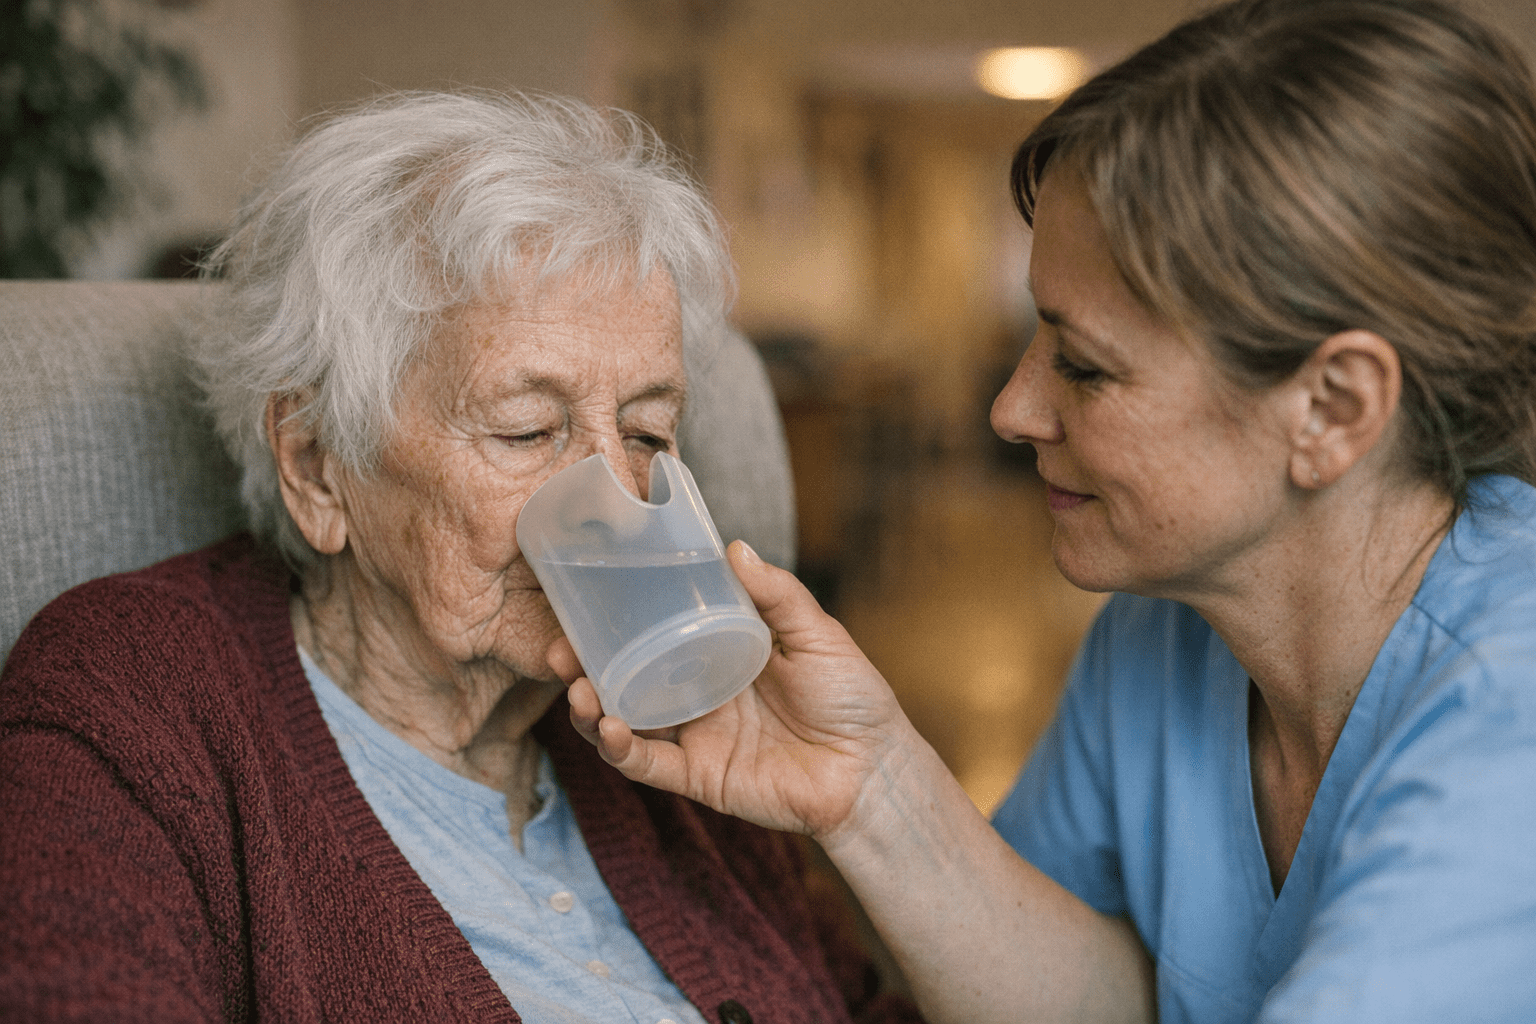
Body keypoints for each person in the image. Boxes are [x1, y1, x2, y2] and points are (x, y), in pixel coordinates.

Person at [557, 1, 1536, 1021]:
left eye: (1085, 365)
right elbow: (1104, 1003)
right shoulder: (1163, 639)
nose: (1010, 409)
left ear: (1333, 408)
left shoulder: (1513, 721)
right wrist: (876, 789)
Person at [0, 92, 921, 1024]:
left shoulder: (688, 744)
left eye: (648, 430)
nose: (616, 502)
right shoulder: (134, 691)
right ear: (318, 468)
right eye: (527, 431)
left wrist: (866, 798)